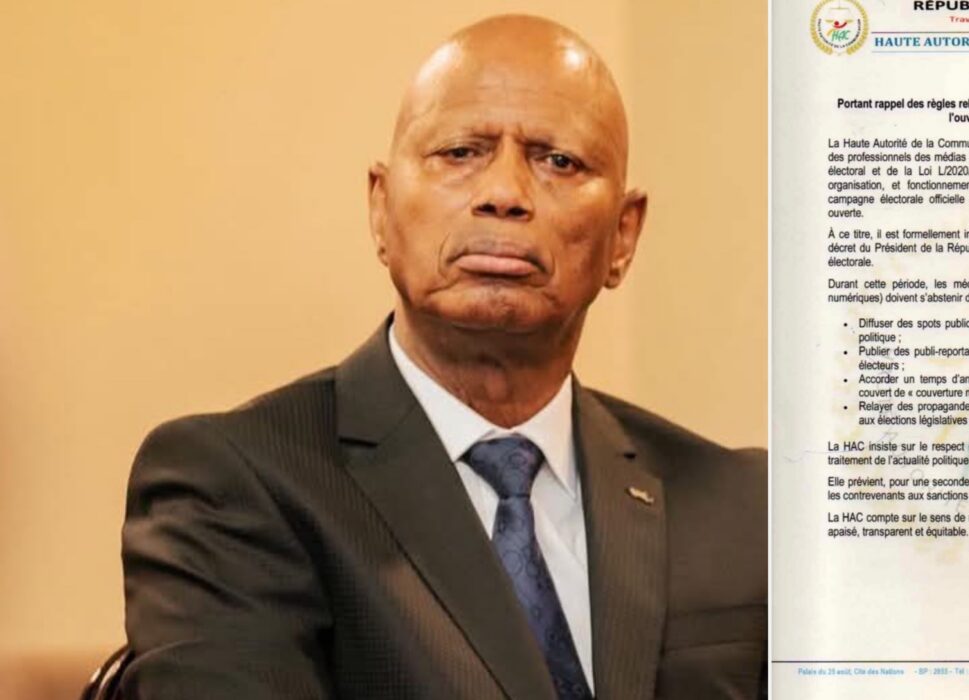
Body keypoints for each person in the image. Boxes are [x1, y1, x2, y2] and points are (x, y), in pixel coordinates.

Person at [120, 14, 766, 700]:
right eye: (460, 153)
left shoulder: (740, 507)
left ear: (624, 237)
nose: (505, 194)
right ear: (381, 209)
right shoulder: (233, 485)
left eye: (558, 161)